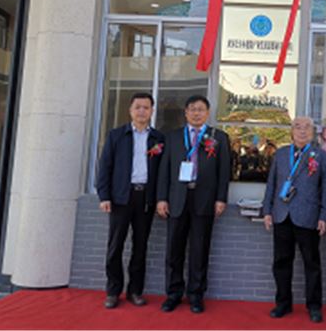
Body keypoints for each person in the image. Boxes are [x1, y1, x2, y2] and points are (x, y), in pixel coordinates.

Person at [157, 95, 231, 314]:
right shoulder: (172, 137)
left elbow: (224, 172)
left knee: (200, 250)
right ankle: (173, 294)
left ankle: (196, 295)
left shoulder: (219, 137)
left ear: (207, 113)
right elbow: (164, 170)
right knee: (174, 250)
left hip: (204, 199)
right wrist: (162, 198)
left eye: (200, 109)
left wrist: (221, 198)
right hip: (177, 199)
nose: (196, 113)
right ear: (186, 113)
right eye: (192, 109)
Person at [96, 92, 165, 309]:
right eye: (138, 107)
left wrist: (160, 198)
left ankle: (135, 291)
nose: (142, 111)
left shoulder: (158, 139)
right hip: (120, 198)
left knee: (140, 247)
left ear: (152, 111)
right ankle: (113, 291)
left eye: (146, 107)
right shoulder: (117, 135)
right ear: (130, 110)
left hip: (145, 198)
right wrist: (104, 196)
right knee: (115, 246)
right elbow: (105, 167)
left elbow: (163, 172)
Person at [262, 116, 326, 323]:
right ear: (291, 131)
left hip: (308, 217)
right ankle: (283, 303)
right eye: (298, 127)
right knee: (281, 262)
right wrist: (267, 211)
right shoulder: (281, 154)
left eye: (307, 127)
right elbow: (272, 184)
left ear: (313, 132)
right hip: (282, 215)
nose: (302, 131)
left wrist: (324, 216)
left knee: (312, 264)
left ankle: (314, 306)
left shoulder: (321, 156)